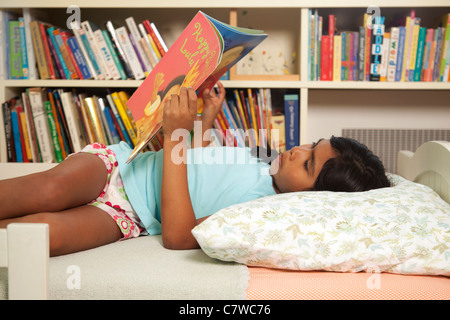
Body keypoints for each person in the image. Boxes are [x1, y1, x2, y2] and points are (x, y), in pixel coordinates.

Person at [0, 82, 390, 256]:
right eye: (311, 145)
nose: (296, 150)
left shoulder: (259, 212)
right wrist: (208, 118)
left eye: (307, 164)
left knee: (41, 237)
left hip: (130, 216)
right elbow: (198, 158)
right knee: (50, 191)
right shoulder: (260, 162)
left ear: (312, 200)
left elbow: (178, 235)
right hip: (119, 167)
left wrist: (175, 136)